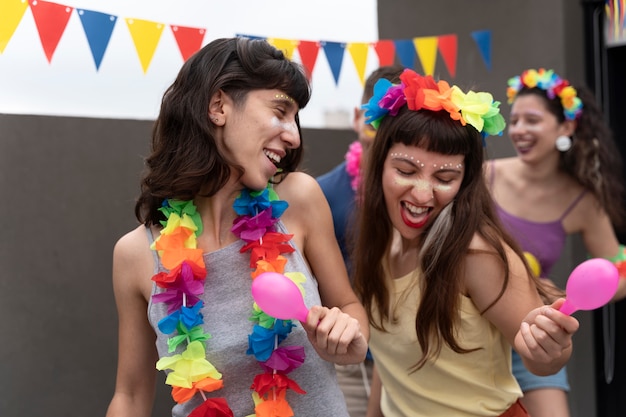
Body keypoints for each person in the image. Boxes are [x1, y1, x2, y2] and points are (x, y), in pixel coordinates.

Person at [105, 37, 369, 417]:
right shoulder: (135, 255)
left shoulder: (298, 201)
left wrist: (350, 336)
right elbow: (129, 397)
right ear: (218, 106)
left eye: (296, 118)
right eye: (280, 111)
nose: (294, 135)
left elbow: (348, 306)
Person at [352, 68, 580, 417]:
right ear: (379, 165)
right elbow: (392, 365)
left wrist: (551, 349)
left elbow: (541, 359)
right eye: (407, 171)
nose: (423, 193)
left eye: (445, 177)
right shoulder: (381, 246)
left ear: (466, 182)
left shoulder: (477, 254)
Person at [486, 68, 626, 417]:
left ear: (565, 128)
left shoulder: (582, 201)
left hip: (532, 331)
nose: (518, 130)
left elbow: (618, 267)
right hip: (471, 331)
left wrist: (564, 295)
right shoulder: (483, 175)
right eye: (515, 120)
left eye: (532, 120)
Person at [316, 64, 403, 417]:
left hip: (411, 353)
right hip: (349, 359)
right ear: (357, 117)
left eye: (394, 122)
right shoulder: (322, 194)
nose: (382, 131)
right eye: (375, 119)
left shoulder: (417, 196)